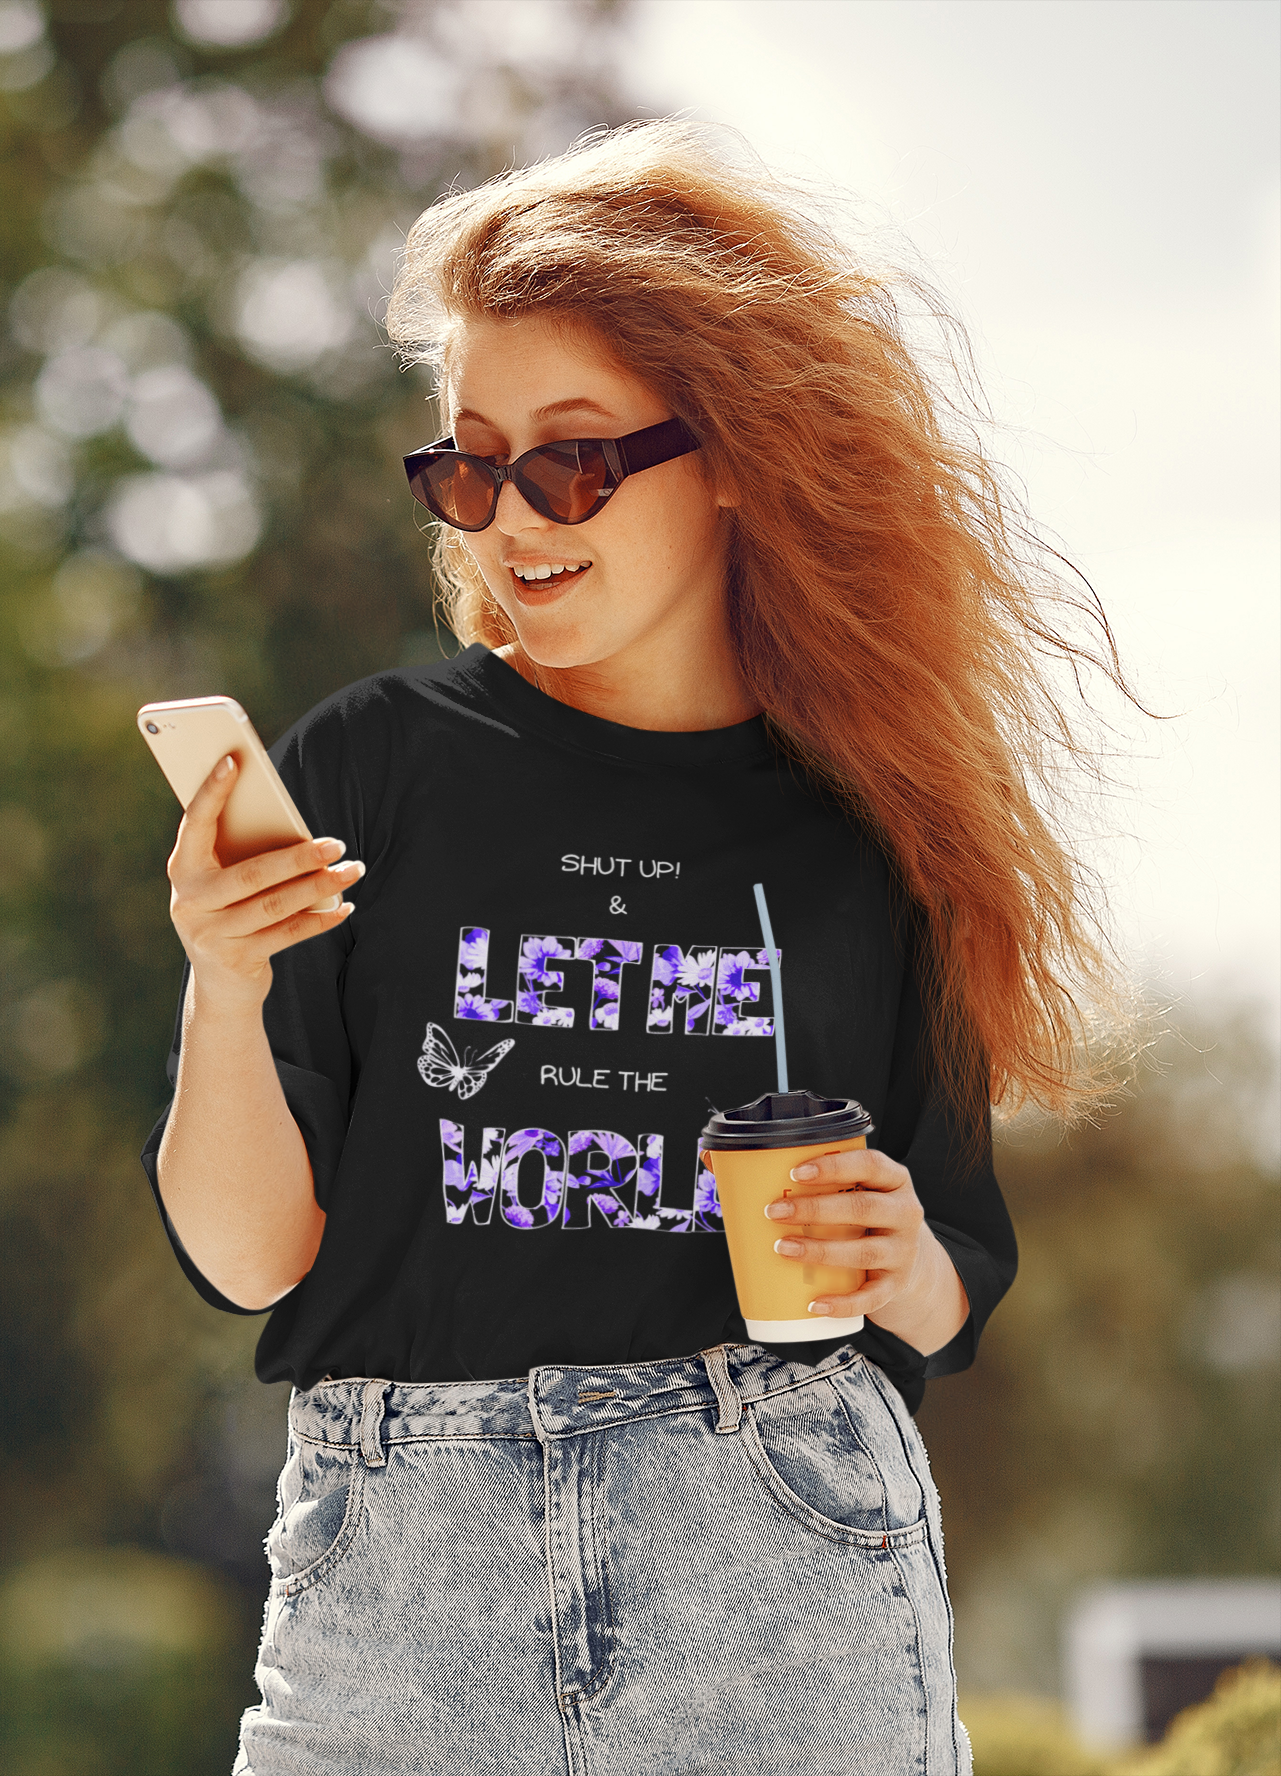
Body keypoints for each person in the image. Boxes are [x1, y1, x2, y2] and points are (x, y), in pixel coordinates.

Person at [142, 122, 1129, 1775]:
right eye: (470, 461)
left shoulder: (868, 839)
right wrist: (222, 983)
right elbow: (253, 1261)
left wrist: (900, 1257)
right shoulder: (370, 769)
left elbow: (956, 1265)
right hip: (400, 1586)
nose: (515, 512)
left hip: (780, 1551)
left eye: (576, 458)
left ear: (731, 454)